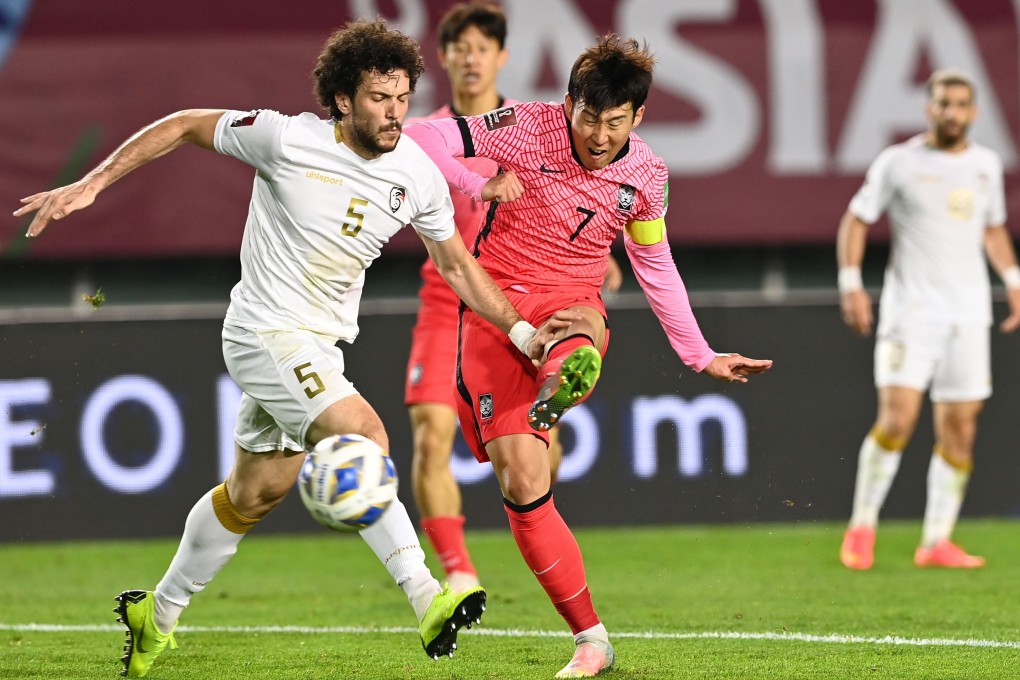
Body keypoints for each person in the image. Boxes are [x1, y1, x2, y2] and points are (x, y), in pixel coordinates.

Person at [13, 19, 575, 678]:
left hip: (320, 348)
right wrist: (92, 184)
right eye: (377, 99)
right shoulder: (285, 139)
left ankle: (156, 616)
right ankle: (428, 595)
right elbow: (186, 122)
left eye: (401, 99)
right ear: (341, 100)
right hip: (263, 333)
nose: (394, 113)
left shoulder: (417, 173)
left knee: (253, 493)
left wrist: (519, 332)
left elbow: (457, 266)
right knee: (365, 433)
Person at [405, 35, 772, 677]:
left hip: (573, 303)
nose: (599, 135)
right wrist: (474, 180)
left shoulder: (646, 178)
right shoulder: (522, 125)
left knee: (580, 334)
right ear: (569, 102)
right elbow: (424, 137)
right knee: (522, 480)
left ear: (638, 118)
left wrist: (699, 354)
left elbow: (654, 265)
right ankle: (548, 407)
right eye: (589, 116)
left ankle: (591, 641)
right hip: (496, 308)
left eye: (616, 121)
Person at [404, 1, 623, 596]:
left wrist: (591, 251)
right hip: (445, 293)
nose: (471, 58)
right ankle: (458, 574)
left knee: (534, 445)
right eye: (460, 47)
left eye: (483, 47)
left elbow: (581, 196)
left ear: (502, 57)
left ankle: (533, 521)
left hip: (521, 294)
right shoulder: (433, 135)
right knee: (429, 431)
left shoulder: (528, 128)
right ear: (444, 57)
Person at [836, 69, 1020, 571]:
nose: (952, 112)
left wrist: (1014, 278)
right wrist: (851, 282)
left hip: (968, 315)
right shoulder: (900, 162)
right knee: (897, 421)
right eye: (943, 103)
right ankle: (862, 527)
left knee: (960, 430)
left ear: (974, 111)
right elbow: (856, 219)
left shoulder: (986, 164)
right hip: (910, 313)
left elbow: (994, 229)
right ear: (929, 108)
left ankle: (936, 540)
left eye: (961, 104)